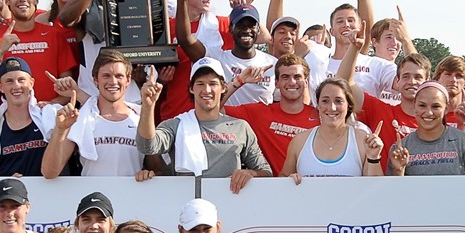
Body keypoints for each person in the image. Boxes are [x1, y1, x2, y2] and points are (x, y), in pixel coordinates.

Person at [138, 60, 272, 191]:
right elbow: (147, 146)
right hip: (185, 202)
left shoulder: (240, 127)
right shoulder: (176, 125)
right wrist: (148, 106)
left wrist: (250, 173)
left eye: (213, 84)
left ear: (223, 88)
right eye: (200, 84)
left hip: (229, 202)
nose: (206, 90)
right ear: (191, 89)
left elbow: (265, 172)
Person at [43, 50, 146, 179]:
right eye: (106, 76)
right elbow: (49, 172)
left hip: (131, 192)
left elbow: (158, 169)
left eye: (119, 76)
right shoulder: (82, 119)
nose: (113, 81)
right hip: (91, 192)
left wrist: (148, 173)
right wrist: (60, 130)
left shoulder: (140, 118)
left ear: (128, 80)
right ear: (95, 80)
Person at [0, 0, 77, 104]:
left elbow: (69, 91)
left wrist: (47, 107)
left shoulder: (54, 35)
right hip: (13, 115)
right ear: (7, 0)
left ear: (36, 0)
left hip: (50, 114)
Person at [227, 53, 319, 172]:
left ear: (306, 82)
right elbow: (214, 108)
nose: (292, 82)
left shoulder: (319, 117)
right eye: (285, 77)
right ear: (276, 83)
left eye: (297, 77)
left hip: (309, 183)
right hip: (270, 183)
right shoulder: (259, 114)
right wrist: (240, 80)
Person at [283, 77, 386, 179]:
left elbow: (375, 186)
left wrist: (373, 158)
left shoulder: (362, 140)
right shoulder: (299, 141)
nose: (332, 107)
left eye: (338, 101)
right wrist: (289, 180)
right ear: (318, 105)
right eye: (325, 101)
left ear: (348, 105)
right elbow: (283, 178)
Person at [0, 58, 61, 178]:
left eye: (21, 80)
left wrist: (71, 92)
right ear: (0, 87)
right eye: (9, 81)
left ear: (31, 83)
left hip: (48, 188)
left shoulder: (51, 115)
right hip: (7, 190)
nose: (16, 86)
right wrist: (6, 182)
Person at [386, 81, 465, 176]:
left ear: (446, 108)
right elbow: (393, 186)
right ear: (414, 106)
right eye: (422, 106)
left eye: (436, 107)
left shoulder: (463, 142)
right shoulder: (400, 149)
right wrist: (398, 171)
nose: (429, 113)